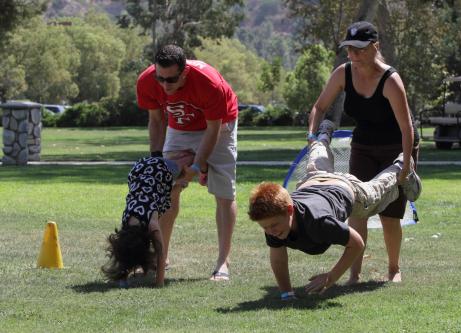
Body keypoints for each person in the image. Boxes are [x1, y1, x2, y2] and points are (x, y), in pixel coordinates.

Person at [248, 120, 421, 299]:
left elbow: (357, 243)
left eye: (273, 226)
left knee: (375, 191)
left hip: (347, 190)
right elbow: (278, 258)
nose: (270, 231)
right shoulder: (272, 222)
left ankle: (402, 164)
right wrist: (286, 293)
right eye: (265, 228)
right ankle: (322, 136)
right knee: (314, 163)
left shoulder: (319, 221)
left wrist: (331, 277)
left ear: (290, 210)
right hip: (314, 181)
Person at [307, 21, 420, 284]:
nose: (353, 55)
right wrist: (313, 136)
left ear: (375, 47)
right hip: (363, 146)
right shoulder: (342, 74)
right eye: (349, 49)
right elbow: (319, 107)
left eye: (358, 49)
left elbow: (407, 128)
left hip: (396, 148)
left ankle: (394, 269)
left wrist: (405, 167)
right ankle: (354, 274)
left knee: (390, 215)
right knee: (358, 209)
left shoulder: (390, 80)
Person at [136, 44, 238, 281]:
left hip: (220, 126)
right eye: (160, 78)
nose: (164, 85)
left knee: (223, 192)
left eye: (171, 80)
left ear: (184, 72)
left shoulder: (207, 82)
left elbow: (212, 130)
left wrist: (194, 166)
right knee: (167, 189)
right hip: (180, 127)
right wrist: (156, 159)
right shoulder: (147, 81)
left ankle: (223, 262)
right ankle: (161, 256)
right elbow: (157, 120)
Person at [102, 153, 194, 287]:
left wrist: (159, 283)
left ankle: (198, 163)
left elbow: (161, 254)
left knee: (191, 161)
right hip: (139, 169)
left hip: (159, 169)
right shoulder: (127, 223)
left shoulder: (152, 224)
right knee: (172, 183)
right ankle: (180, 181)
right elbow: (162, 196)